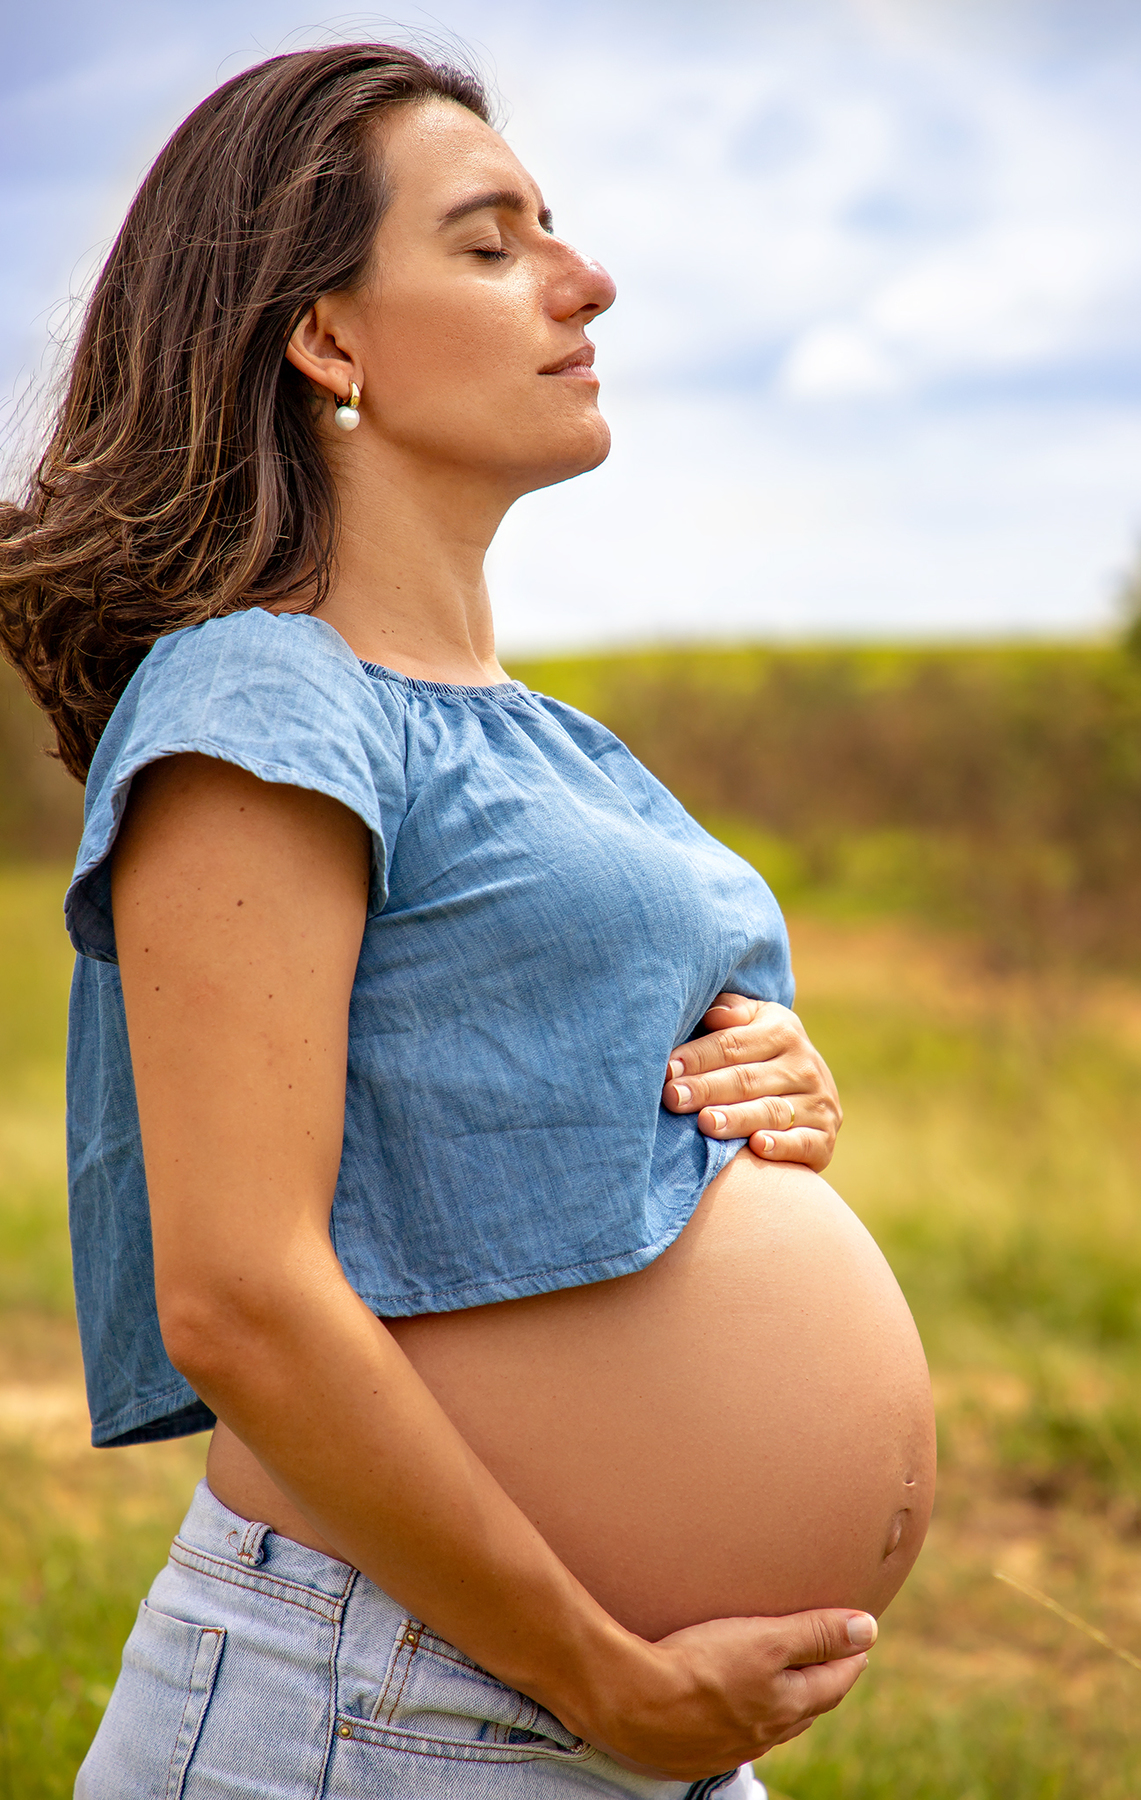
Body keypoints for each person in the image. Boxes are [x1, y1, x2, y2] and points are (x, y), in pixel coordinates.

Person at [0, 43, 935, 1800]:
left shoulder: (546, 739)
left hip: (571, 1712)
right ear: (328, 340)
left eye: (554, 231)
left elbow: (523, 1113)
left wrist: (771, 1097)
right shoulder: (262, 699)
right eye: (493, 244)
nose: (583, 281)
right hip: (392, 1695)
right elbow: (240, 1295)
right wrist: (600, 1674)